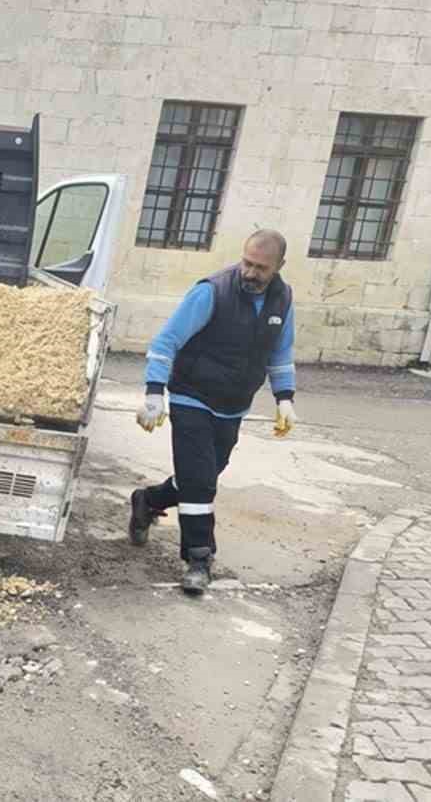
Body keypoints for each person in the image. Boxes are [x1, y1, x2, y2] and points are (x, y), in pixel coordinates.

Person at [129, 229, 298, 594]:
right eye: (246, 263)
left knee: (202, 475)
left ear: (279, 267)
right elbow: (166, 341)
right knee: (202, 484)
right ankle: (199, 559)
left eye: (260, 268)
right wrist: (154, 393)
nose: (250, 273)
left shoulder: (283, 300)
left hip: (233, 406)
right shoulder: (212, 291)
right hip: (192, 396)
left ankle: (148, 500)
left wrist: (285, 399)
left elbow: (280, 353)